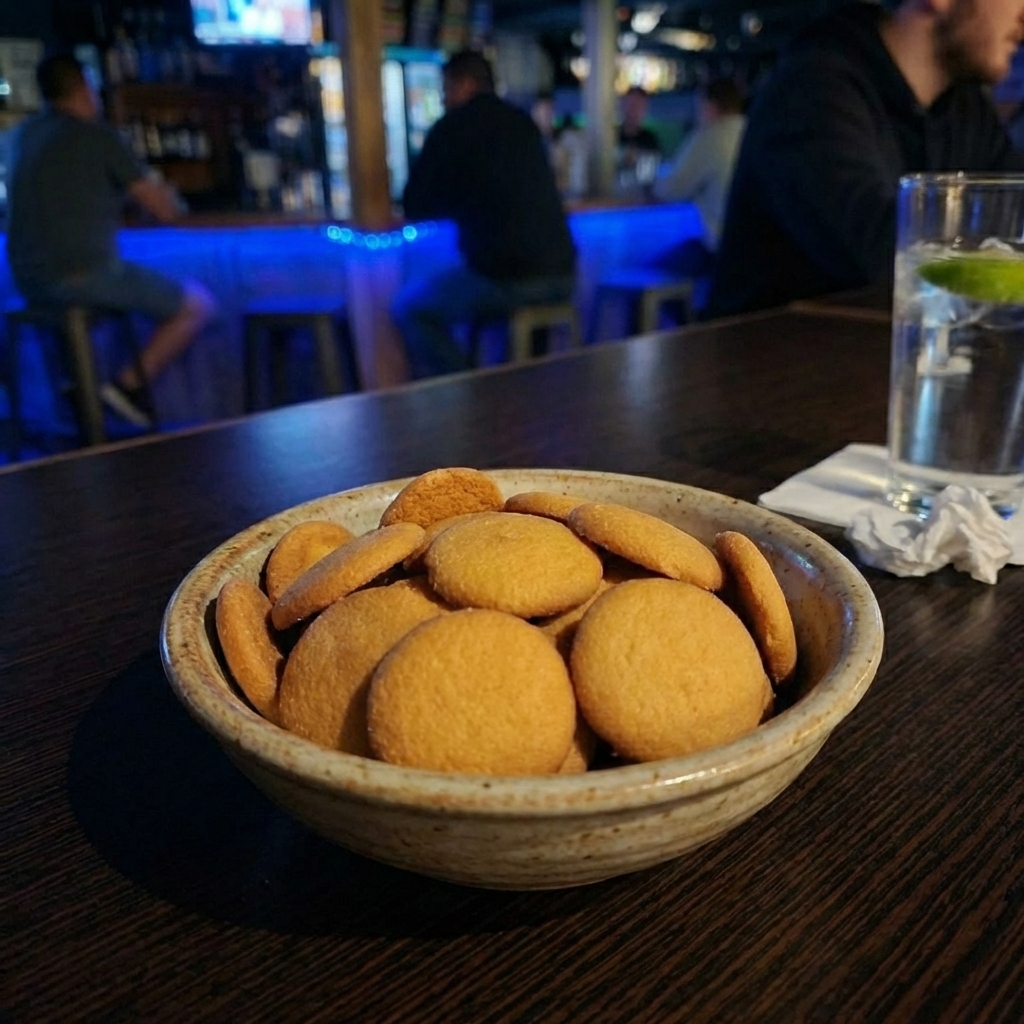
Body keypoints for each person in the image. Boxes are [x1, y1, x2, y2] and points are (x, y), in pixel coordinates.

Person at [709, 0, 1024, 318]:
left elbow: (1015, 215)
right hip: (768, 359)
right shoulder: (812, 87)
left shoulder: (964, 109)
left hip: (882, 354)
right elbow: (888, 258)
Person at [6, 54, 215, 428]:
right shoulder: (95, 135)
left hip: (26, 283)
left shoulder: (21, 137)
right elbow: (166, 210)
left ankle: (79, 392)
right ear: (85, 86)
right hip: (82, 275)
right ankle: (124, 388)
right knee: (197, 304)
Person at [391, 50, 576, 378]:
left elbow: (414, 204)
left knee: (410, 309)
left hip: (505, 277)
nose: (444, 97)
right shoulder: (522, 122)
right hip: (565, 274)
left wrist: (456, 201)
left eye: (445, 88)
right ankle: (519, 393)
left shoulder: (452, 127)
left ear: (463, 84)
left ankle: (470, 393)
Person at [651, 78, 747, 281]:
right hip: (749, 251)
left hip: (718, 249)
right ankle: (693, 311)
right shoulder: (750, 131)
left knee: (655, 271)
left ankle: (685, 313)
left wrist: (651, 181)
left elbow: (669, 190)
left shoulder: (710, 136)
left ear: (709, 107)